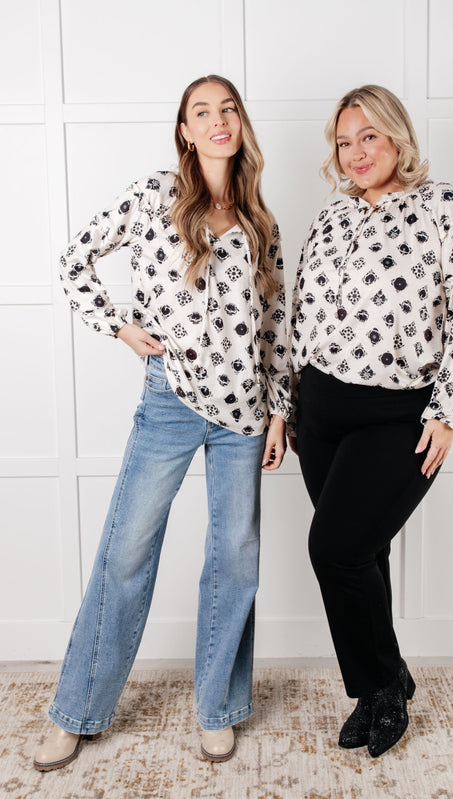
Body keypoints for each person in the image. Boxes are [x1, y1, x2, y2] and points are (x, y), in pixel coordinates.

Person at [33, 75, 291, 771]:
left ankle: (218, 709)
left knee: (234, 560)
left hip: (243, 413)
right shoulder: (155, 195)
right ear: (185, 130)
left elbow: (276, 326)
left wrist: (279, 412)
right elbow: (75, 259)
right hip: (169, 399)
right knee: (125, 552)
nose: (217, 120)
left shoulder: (261, 221)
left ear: (240, 121)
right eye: (201, 112)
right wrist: (119, 327)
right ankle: (75, 711)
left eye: (227, 108)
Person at [288, 85, 453, 758]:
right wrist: (289, 403)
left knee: (335, 548)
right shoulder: (331, 215)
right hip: (320, 410)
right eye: (343, 142)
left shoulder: (449, 208)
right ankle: (388, 677)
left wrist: (452, 411)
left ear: (397, 136)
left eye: (368, 136)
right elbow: (300, 312)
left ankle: (377, 687)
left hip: (398, 412)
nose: (355, 153)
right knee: (362, 552)